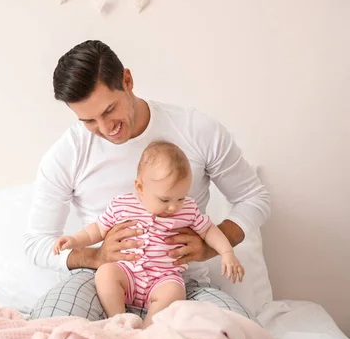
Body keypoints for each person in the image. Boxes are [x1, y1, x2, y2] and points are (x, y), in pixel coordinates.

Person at [24, 39, 271, 321]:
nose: (106, 129)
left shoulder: (197, 131)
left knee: (240, 331)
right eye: (89, 121)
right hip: (101, 280)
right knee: (49, 331)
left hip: (179, 285)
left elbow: (254, 198)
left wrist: (209, 247)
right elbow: (37, 242)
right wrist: (95, 256)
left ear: (127, 80)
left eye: (108, 110)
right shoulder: (69, 152)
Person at [52, 140, 245, 327]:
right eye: (164, 199)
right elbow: (97, 229)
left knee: (175, 291)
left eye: (180, 197)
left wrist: (226, 252)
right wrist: (75, 240)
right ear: (140, 187)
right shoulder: (122, 205)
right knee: (105, 273)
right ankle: (119, 320)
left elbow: (209, 230)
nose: (173, 207)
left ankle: (148, 329)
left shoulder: (187, 210)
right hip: (127, 275)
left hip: (163, 279)